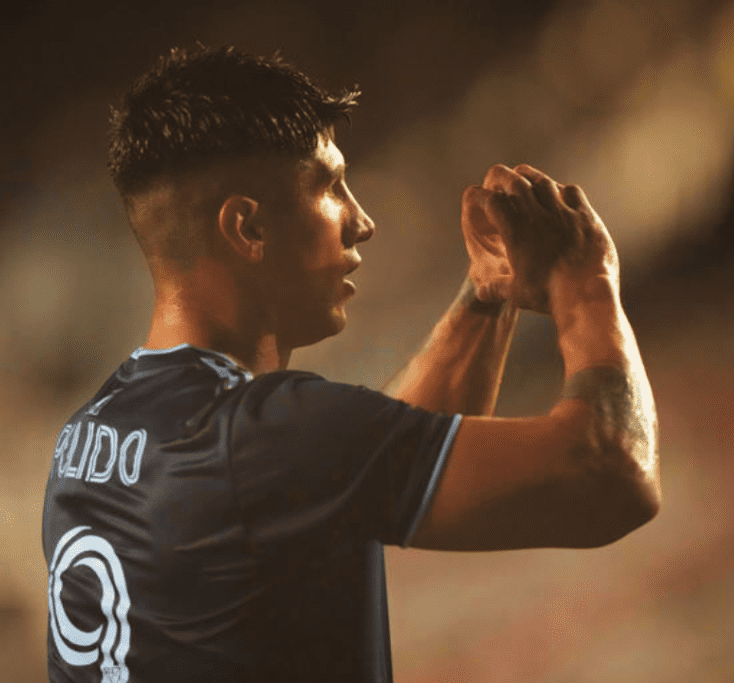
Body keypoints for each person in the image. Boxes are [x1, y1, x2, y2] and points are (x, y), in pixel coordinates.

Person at [41, 45, 661, 683]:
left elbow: (363, 460)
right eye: (331, 186)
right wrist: (587, 281)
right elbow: (612, 474)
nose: (361, 221)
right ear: (248, 228)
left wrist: (488, 295)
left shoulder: (89, 436)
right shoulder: (264, 437)